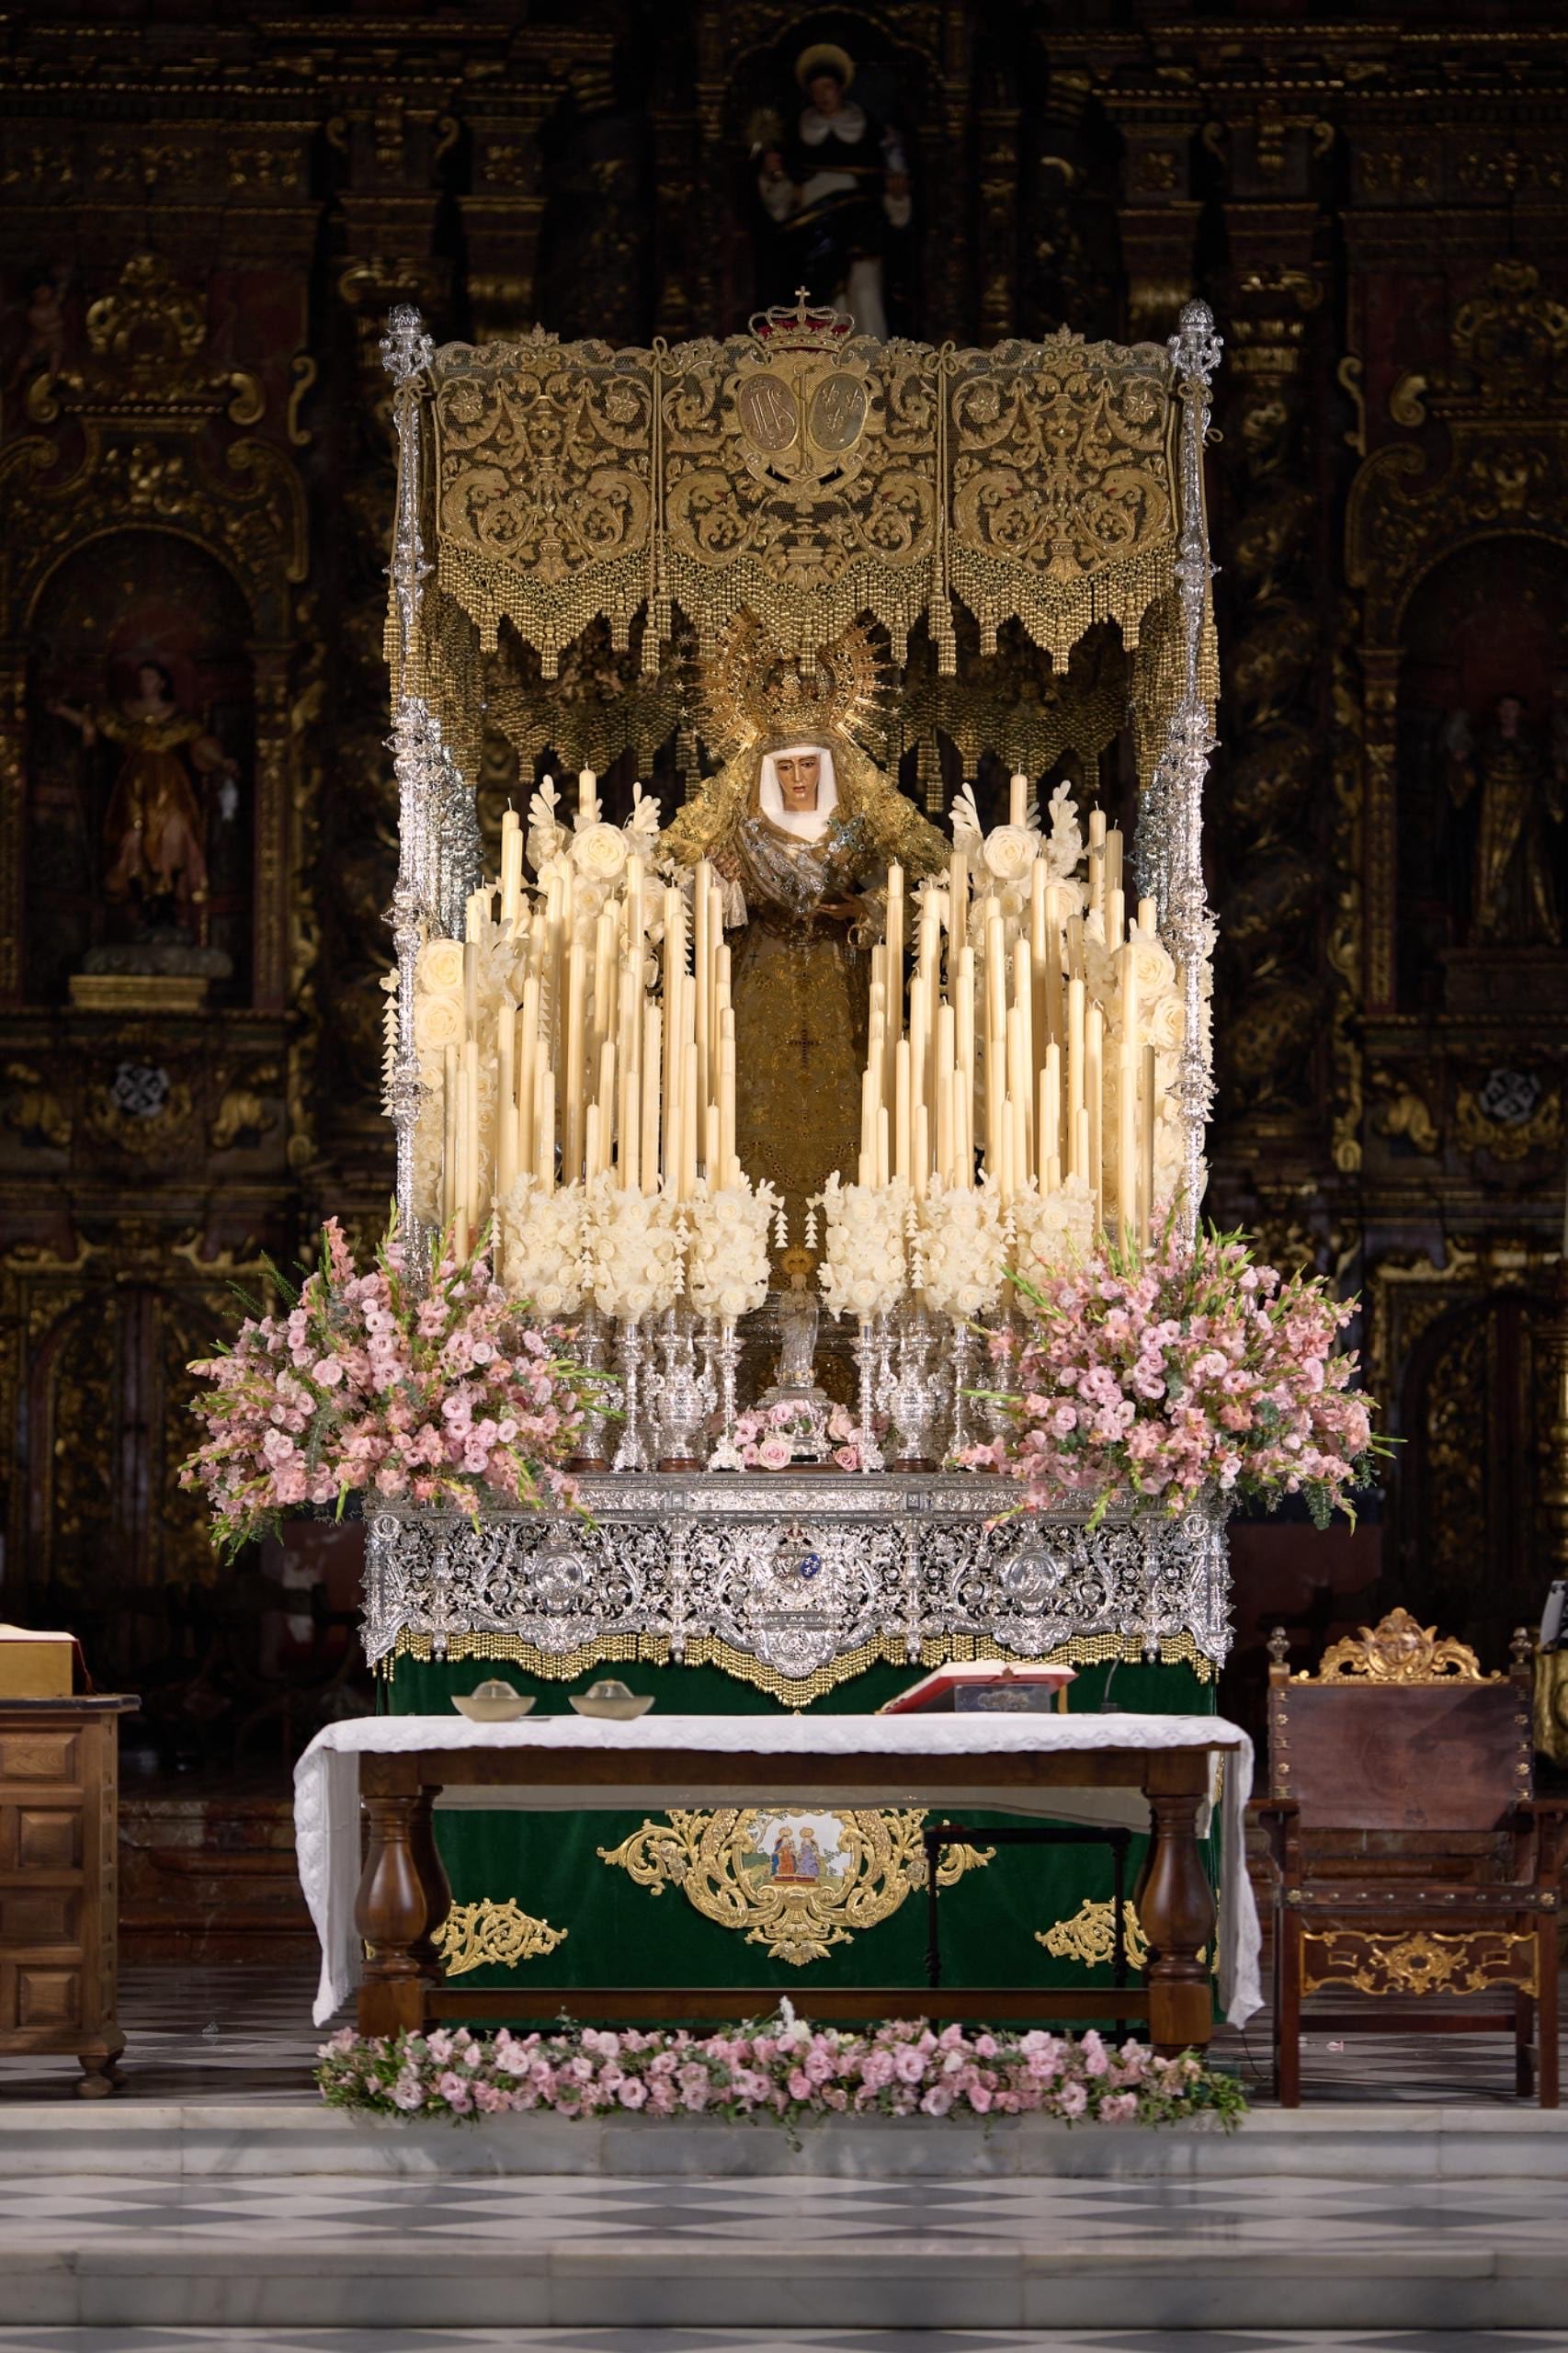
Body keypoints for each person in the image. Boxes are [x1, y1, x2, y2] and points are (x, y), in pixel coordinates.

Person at [662, 620, 947, 1249]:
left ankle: (848, 1250)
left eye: (806, 766)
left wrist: (867, 913)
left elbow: (931, 875)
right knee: (749, 1106)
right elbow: (664, 872)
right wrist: (716, 880)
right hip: (757, 986)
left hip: (839, 989)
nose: (796, 779)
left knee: (849, 1114)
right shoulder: (743, 829)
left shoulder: (854, 829)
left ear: (826, 767)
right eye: (784, 766)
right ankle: (746, 1248)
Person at [51, 660, 235, 921]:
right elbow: (93, 723)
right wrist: (62, 711)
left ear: (162, 683)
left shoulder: (179, 719)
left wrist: (221, 762)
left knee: (174, 831)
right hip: (134, 785)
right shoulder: (124, 715)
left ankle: (167, 897)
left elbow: (202, 745)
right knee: (132, 833)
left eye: (149, 678)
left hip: (170, 787)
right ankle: (140, 893)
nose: (143, 683)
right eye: (141, 678)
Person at [755, 43, 912, 341]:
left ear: (840, 88)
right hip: (813, 235)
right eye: (815, 90)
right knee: (822, 301)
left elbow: (891, 180)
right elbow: (781, 200)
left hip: (861, 229)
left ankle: (872, 366)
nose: (822, 96)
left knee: (864, 291)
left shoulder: (869, 130)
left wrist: (897, 194)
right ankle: (825, 371)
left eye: (827, 87)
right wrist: (773, 175)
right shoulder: (795, 132)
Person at [1443, 690, 1566, 946]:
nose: (1509, 713)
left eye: (1513, 708)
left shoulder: (1532, 745)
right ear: (1498, 712)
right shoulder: (1485, 744)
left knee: (1531, 863)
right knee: (1492, 863)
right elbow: (1465, 782)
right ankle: (1487, 925)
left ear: (1520, 712)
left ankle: (1539, 925)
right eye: (1504, 708)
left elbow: (1553, 778)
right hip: (1494, 808)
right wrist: (1459, 763)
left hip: (1526, 806)